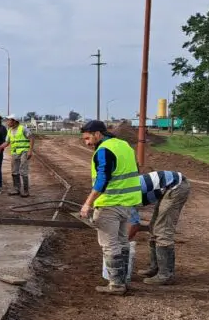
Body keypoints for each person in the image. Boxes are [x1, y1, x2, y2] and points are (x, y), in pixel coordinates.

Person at [78, 120, 142, 295]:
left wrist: (87, 203)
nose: (87, 143)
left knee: (110, 245)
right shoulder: (124, 145)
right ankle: (123, 281)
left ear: (98, 134)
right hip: (127, 203)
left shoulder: (104, 150)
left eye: (88, 138)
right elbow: (136, 168)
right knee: (123, 242)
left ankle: (116, 285)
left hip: (109, 204)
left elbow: (102, 180)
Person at [138, 170, 192, 285]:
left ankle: (165, 274)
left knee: (162, 229)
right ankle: (155, 268)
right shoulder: (123, 194)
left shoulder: (126, 195)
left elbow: (132, 224)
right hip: (167, 188)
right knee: (154, 227)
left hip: (176, 187)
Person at [4, 115, 32, 196]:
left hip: (24, 152)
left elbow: (31, 138)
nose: (7, 122)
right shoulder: (9, 130)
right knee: (14, 171)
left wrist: (30, 151)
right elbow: (7, 142)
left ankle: (26, 191)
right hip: (15, 153)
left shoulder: (22, 128)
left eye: (9, 120)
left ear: (14, 121)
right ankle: (16, 189)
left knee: (23, 171)